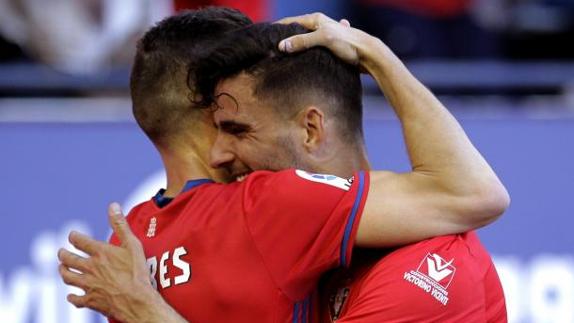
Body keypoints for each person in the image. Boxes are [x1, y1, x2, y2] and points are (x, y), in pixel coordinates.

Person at [57, 9, 509, 323]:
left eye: (236, 129)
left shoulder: (126, 243)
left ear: (311, 130)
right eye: (217, 127)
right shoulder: (269, 213)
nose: (219, 153)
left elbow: (477, 195)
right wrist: (376, 56)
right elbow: (471, 192)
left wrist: (146, 310)